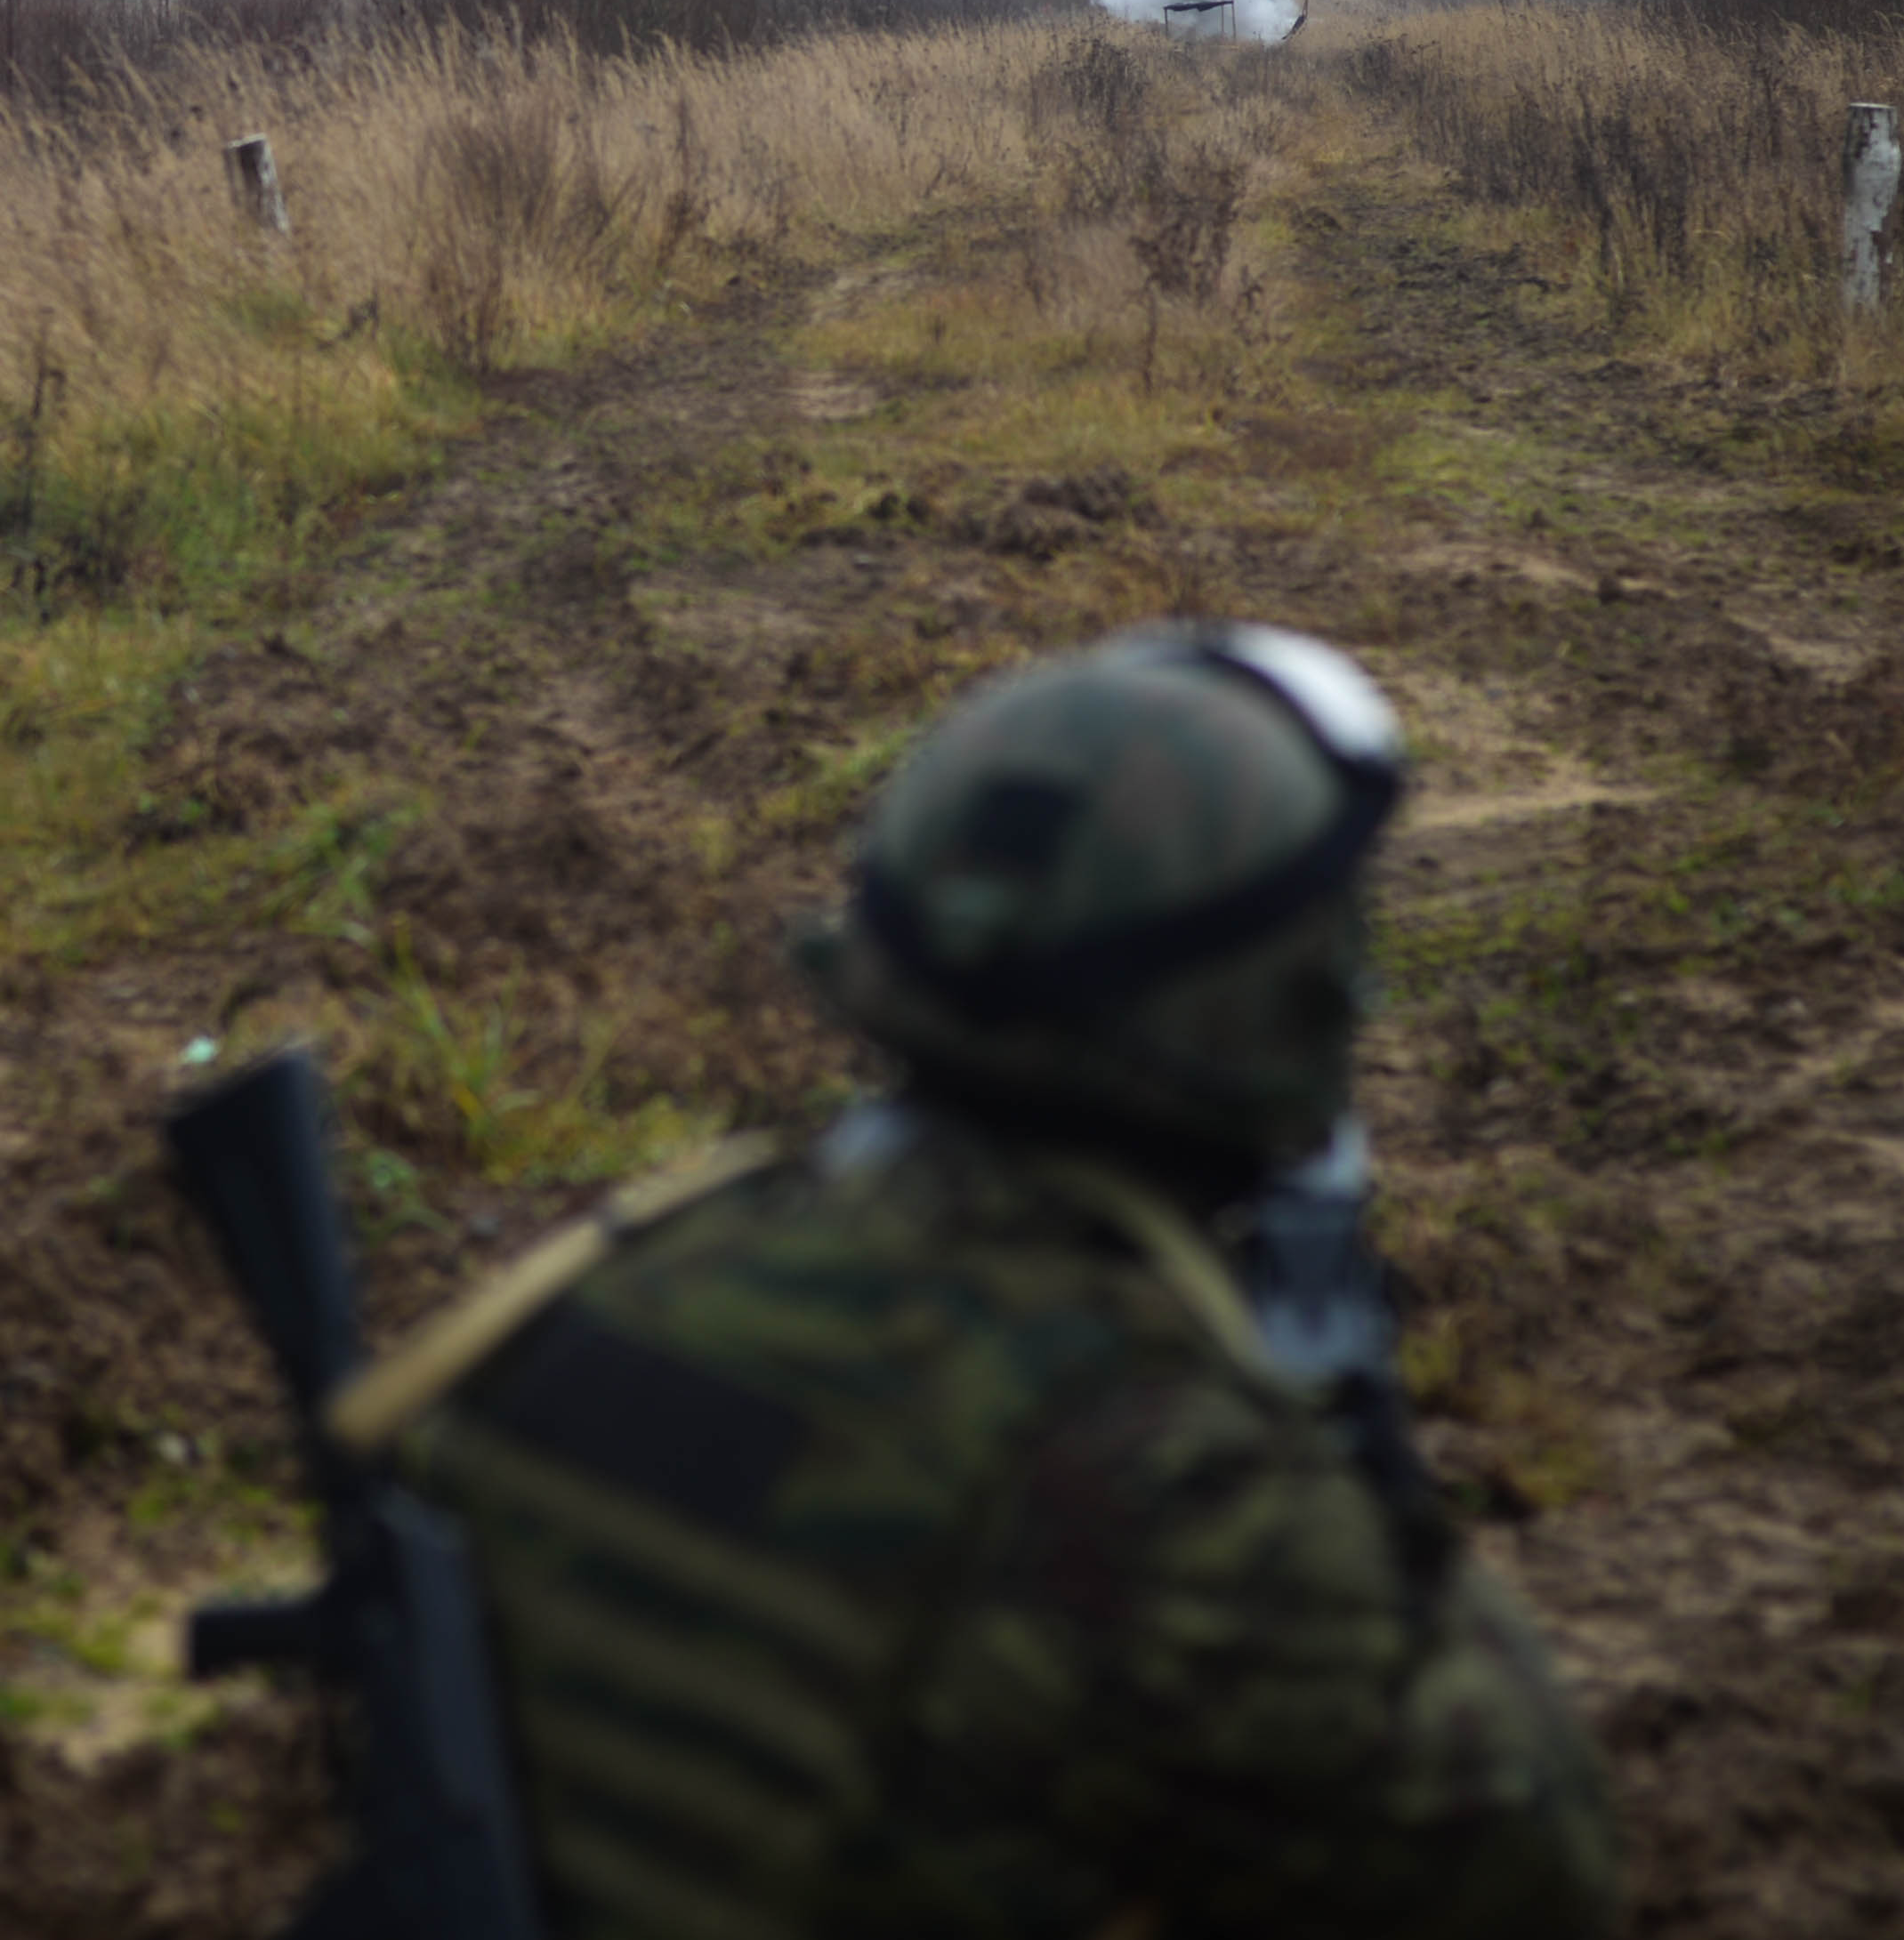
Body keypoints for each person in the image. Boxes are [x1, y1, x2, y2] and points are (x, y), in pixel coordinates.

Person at [323, 624, 1621, 1939]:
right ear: (1278, 1011)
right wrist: (1355, 1416)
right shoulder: (1170, 1481)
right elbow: (1534, 1870)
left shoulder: (616, 1284)